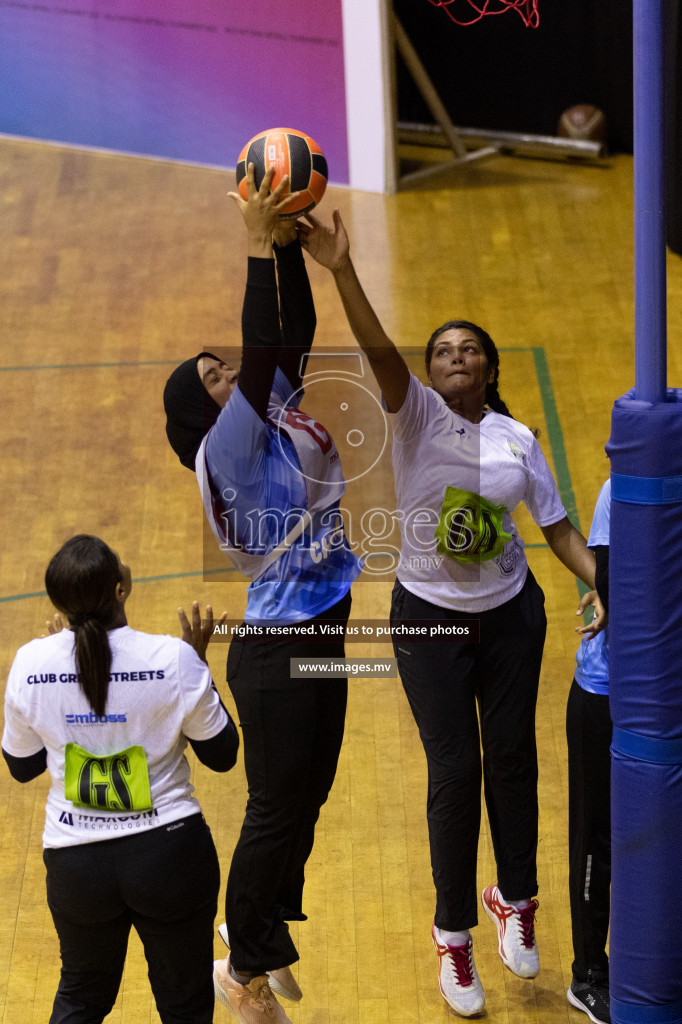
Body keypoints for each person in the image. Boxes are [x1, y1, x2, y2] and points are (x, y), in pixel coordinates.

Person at [298, 209, 604, 1019]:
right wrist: (340, 270)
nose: (456, 357)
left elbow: (560, 528)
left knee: (511, 761)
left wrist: (595, 581)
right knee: (454, 771)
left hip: (510, 616)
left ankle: (517, 899)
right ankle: (454, 936)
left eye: (470, 348)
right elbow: (375, 350)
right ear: (430, 372)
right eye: (443, 351)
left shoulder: (516, 438)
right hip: (430, 619)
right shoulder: (418, 415)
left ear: (490, 366)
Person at [163, 168, 362, 1024]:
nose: (231, 372)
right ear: (200, 413)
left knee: (310, 792)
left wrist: (292, 250)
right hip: (278, 648)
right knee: (279, 802)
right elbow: (265, 341)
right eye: (212, 376)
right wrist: (255, 243)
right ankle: (238, 964)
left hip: (322, 623)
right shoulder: (229, 451)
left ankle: (264, 930)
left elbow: (291, 338)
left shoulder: (268, 414)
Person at [1, 534, 238, 1024]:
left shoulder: (30, 663)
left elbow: (21, 767)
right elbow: (223, 755)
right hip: (170, 857)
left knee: (82, 999)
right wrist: (200, 670)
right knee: (185, 1005)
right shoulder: (173, 659)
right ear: (120, 588)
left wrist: (57, 699)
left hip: (75, 865)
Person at [567, 479, 611, 1024]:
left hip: (663, 694)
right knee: (595, 836)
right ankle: (588, 974)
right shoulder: (620, 488)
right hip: (605, 695)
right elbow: (615, 582)